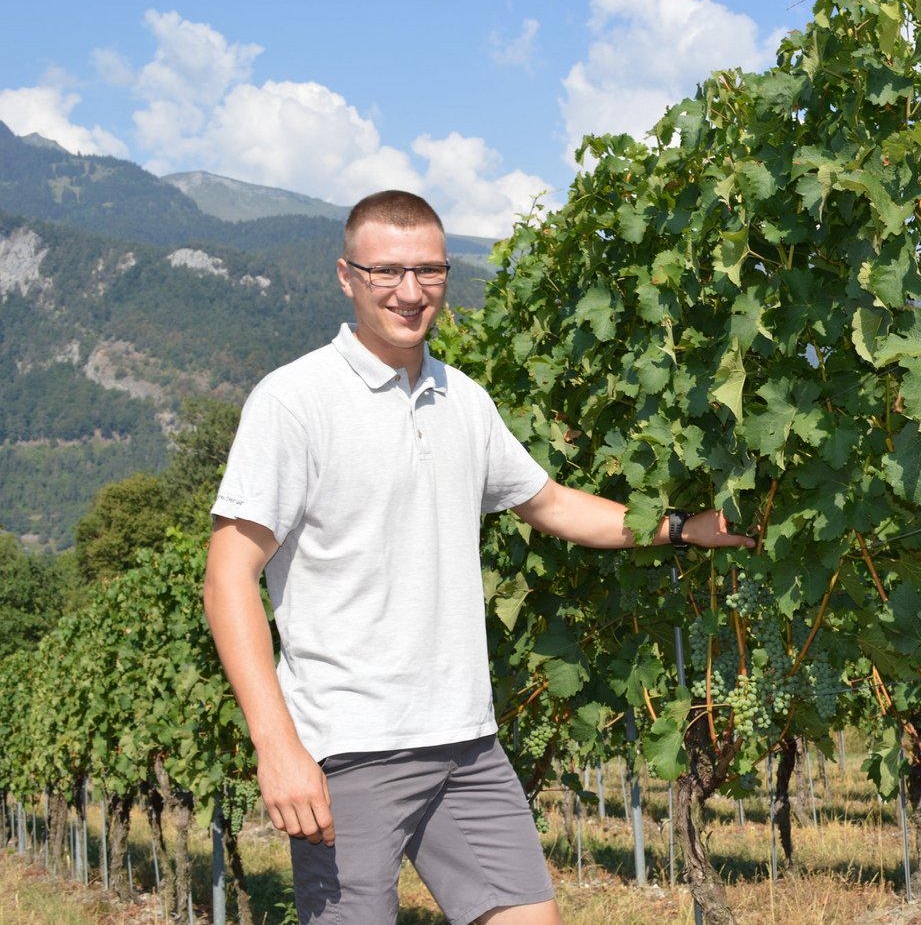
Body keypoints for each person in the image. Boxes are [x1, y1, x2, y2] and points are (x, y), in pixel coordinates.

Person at [203, 189, 754, 924]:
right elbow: (228, 576)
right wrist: (276, 744)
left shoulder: (462, 399)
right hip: (352, 746)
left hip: (466, 742)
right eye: (386, 271)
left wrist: (683, 527)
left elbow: (550, 504)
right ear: (346, 275)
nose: (410, 292)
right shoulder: (295, 401)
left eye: (429, 271)